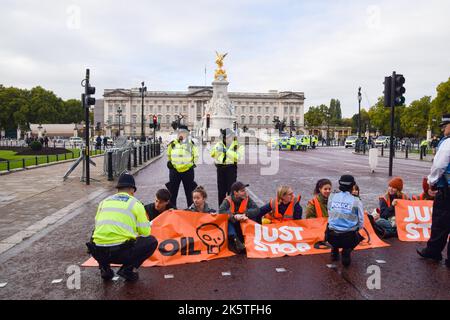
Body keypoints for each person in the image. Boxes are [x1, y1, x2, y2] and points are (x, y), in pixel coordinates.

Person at [86, 173, 158, 281]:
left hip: (98, 251)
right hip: (121, 253)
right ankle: (127, 270)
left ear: (118, 189)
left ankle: (104, 268)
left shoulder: (103, 202)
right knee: (151, 241)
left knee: (95, 232)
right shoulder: (135, 204)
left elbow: (97, 225)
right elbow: (145, 232)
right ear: (132, 190)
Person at [417, 113, 450, 267]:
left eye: (445, 126)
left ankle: (433, 251)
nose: (443, 129)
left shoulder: (447, 143)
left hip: (447, 191)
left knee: (440, 222)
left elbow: (439, 165)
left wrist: (431, 182)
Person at [325, 175, 364, 267]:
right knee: (359, 237)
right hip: (348, 237)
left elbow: (329, 212)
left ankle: (334, 250)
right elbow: (361, 220)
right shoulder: (356, 200)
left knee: (331, 226)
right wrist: (358, 228)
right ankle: (346, 251)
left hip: (331, 235)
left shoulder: (332, 196)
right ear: (352, 186)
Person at [219, 181, 259, 253]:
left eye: (245, 190)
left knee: (254, 216)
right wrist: (234, 216)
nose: (245, 192)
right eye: (242, 191)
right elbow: (221, 211)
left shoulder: (247, 198)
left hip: (242, 222)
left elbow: (256, 209)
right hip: (233, 223)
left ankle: (250, 238)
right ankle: (235, 239)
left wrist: (245, 214)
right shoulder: (228, 200)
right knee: (226, 220)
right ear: (235, 193)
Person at [210, 128, 244, 206]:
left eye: (229, 137)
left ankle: (231, 209)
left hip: (230, 169)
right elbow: (212, 154)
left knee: (231, 190)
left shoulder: (237, 145)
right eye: (225, 138)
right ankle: (221, 209)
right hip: (220, 169)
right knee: (221, 191)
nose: (227, 139)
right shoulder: (219, 144)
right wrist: (216, 150)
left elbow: (238, 157)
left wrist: (226, 151)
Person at [166, 128, 199, 208]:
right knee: (172, 193)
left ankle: (191, 210)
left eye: (183, 133)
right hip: (175, 170)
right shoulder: (172, 144)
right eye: (179, 133)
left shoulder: (191, 144)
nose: (181, 135)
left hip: (187, 170)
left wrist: (193, 164)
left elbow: (196, 155)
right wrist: (170, 163)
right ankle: (172, 210)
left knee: (190, 193)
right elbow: (168, 154)